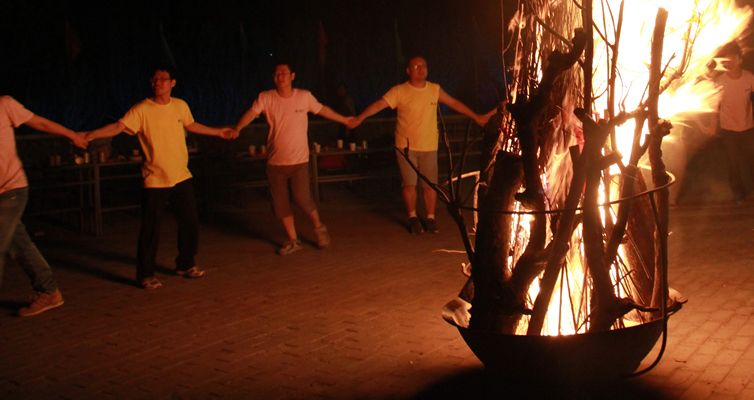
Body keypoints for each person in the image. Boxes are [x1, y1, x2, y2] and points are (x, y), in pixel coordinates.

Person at [86, 67, 236, 289]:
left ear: (172, 83)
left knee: (190, 223)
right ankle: (145, 274)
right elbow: (119, 126)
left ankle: (185, 264)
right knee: (151, 228)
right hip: (155, 178)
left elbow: (191, 124)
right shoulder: (142, 109)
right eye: (155, 79)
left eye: (163, 79)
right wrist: (93, 134)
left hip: (181, 175)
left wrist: (218, 132)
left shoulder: (180, 105)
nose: (158, 83)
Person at [349, 56, 492, 234]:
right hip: (406, 146)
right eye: (416, 66)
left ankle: (431, 218)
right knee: (409, 184)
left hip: (429, 145)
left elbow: (454, 103)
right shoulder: (400, 91)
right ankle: (413, 217)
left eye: (423, 66)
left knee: (430, 185)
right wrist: (360, 118)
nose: (420, 69)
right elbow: (380, 104)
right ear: (408, 71)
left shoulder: (434, 89)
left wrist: (476, 117)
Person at [233, 63, 351, 254]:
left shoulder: (303, 96)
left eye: (284, 73)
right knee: (280, 205)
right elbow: (252, 113)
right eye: (277, 73)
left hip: (299, 161)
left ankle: (319, 227)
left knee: (303, 199)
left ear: (292, 76)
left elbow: (322, 109)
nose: (280, 76)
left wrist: (344, 120)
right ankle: (293, 239)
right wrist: (238, 128)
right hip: (275, 162)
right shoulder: (266, 97)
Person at [1, 96, 88, 316]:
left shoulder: (4, 105)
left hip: (11, 190)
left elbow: (40, 122)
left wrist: (71, 134)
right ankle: (49, 292)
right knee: (19, 243)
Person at [711, 42, 754, 203]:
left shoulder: (749, 77)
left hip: (748, 127)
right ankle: (738, 192)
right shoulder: (720, 81)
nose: (730, 62)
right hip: (728, 128)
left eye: (733, 59)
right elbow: (715, 105)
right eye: (727, 60)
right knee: (733, 163)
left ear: (740, 61)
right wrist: (713, 125)